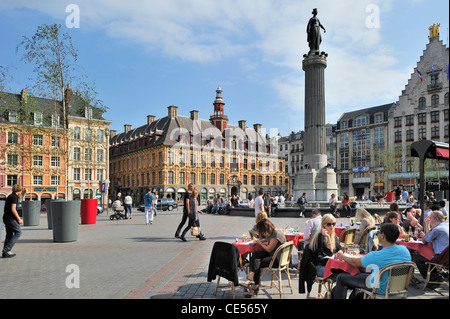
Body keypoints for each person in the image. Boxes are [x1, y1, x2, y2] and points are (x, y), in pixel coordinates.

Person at [333, 223, 412, 299]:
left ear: (382, 236)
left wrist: (343, 256)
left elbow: (355, 263)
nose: (378, 235)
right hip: (399, 289)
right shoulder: (405, 250)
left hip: (379, 288)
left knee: (341, 278)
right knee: (361, 276)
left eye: (379, 232)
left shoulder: (376, 255)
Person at [240, 219, 286, 298]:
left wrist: (259, 243)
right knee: (256, 254)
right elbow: (269, 239)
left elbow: (268, 249)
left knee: (257, 263)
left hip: (277, 260)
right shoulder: (274, 232)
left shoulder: (276, 234)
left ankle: (253, 286)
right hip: (274, 255)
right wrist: (261, 240)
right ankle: (252, 279)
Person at [414, 210, 449, 287]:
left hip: (441, 258)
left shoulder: (437, 229)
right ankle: (435, 275)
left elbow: (424, 240)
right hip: (446, 257)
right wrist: (428, 225)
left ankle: (432, 278)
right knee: (427, 256)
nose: (429, 220)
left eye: (430, 218)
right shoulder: (446, 226)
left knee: (417, 258)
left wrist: (428, 225)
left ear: (436, 219)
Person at [308, 214, 343, 278]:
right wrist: (328, 238)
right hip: (319, 267)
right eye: (329, 224)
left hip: (329, 265)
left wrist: (340, 252)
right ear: (324, 225)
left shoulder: (333, 234)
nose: (332, 226)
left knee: (345, 273)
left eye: (334, 224)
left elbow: (340, 248)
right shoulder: (320, 236)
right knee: (340, 276)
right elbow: (330, 253)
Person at [2, 184, 23, 258]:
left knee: (9, 235)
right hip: (11, 219)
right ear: (20, 190)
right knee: (18, 232)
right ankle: (6, 250)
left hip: (6, 218)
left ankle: (5, 253)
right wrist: (19, 218)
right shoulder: (15, 197)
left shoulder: (10, 196)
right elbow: (13, 209)